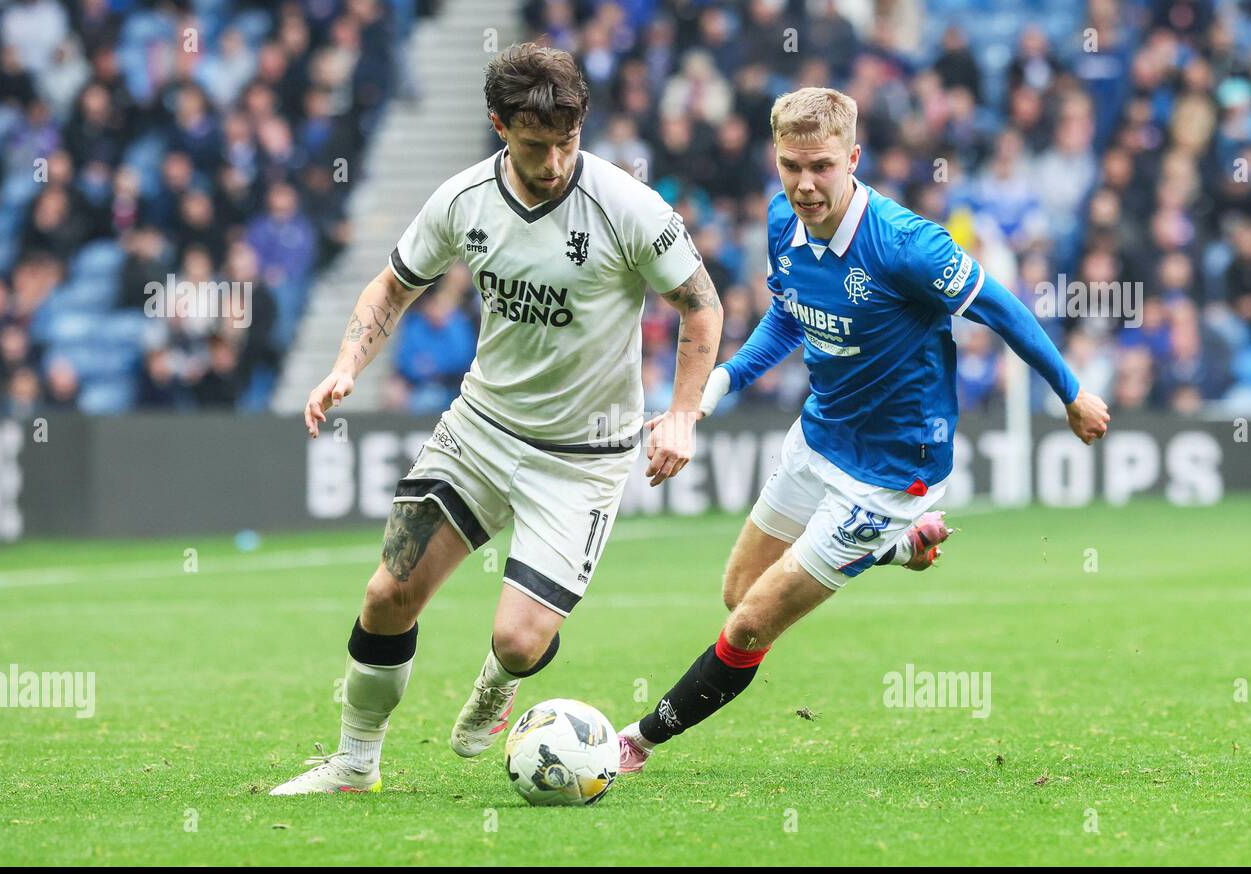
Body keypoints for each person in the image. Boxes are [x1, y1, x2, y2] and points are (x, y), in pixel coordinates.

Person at [271, 43, 722, 795]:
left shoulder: (628, 206)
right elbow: (391, 287)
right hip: (480, 430)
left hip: (583, 454)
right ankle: (353, 765)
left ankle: (500, 678)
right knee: (388, 594)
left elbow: (701, 305)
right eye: (534, 146)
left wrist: (681, 415)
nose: (552, 164)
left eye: (566, 144)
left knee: (517, 641)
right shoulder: (462, 200)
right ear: (497, 125)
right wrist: (347, 364)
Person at [617, 87, 1109, 772]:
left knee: (751, 622)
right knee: (737, 590)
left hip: (892, 469)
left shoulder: (907, 246)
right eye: (791, 165)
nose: (804, 184)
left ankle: (633, 742)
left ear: (853, 158)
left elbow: (1003, 309)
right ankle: (897, 548)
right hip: (818, 436)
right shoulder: (781, 220)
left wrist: (1072, 392)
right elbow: (788, 315)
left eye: (820, 166)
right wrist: (712, 390)